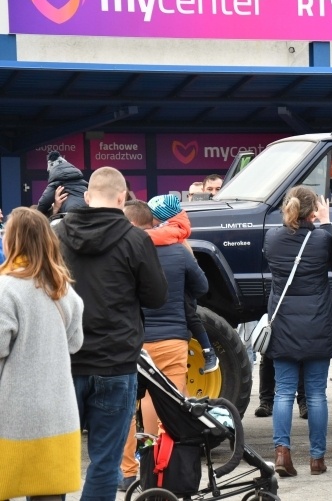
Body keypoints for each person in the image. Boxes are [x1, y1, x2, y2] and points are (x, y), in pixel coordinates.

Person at [53, 166, 168, 500]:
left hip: (64, 362)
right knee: (105, 462)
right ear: (122, 198)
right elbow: (157, 297)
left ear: (88, 197)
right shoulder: (136, 239)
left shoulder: (56, 235)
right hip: (116, 361)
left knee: (55, 459)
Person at [118, 200, 209, 491]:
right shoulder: (179, 250)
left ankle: (129, 472)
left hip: (135, 339)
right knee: (171, 403)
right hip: (172, 338)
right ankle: (162, 466)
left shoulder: (127, 251)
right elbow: (203, 287)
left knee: (130, 404)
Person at [0, 207, 85, 501]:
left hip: (12, 416)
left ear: (12, 241)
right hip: (58, 415)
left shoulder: (5, 289)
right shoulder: (64, 290)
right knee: (50, 493)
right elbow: (74, 344)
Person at [264, 185, 332, 477]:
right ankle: (317, 459)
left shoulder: (272, 238)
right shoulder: (322, 238)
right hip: (318, 322)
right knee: (317, 394)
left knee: (283, 392)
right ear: (313, 211)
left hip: (284, 323)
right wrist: (327, 223)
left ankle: (282, 453)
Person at [146, 194, 218, 373]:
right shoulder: (179, 235)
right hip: (176, 322)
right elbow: (201, 286)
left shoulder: (165, 234)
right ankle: (208, 351)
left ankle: (209, 350)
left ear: (160, 217)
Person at [37, 151, 88, 215]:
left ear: (51, 170)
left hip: (70, 212)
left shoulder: (55, 183)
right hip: (88, 209)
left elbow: (44, 203)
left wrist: (38, 213)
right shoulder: (81, 180)